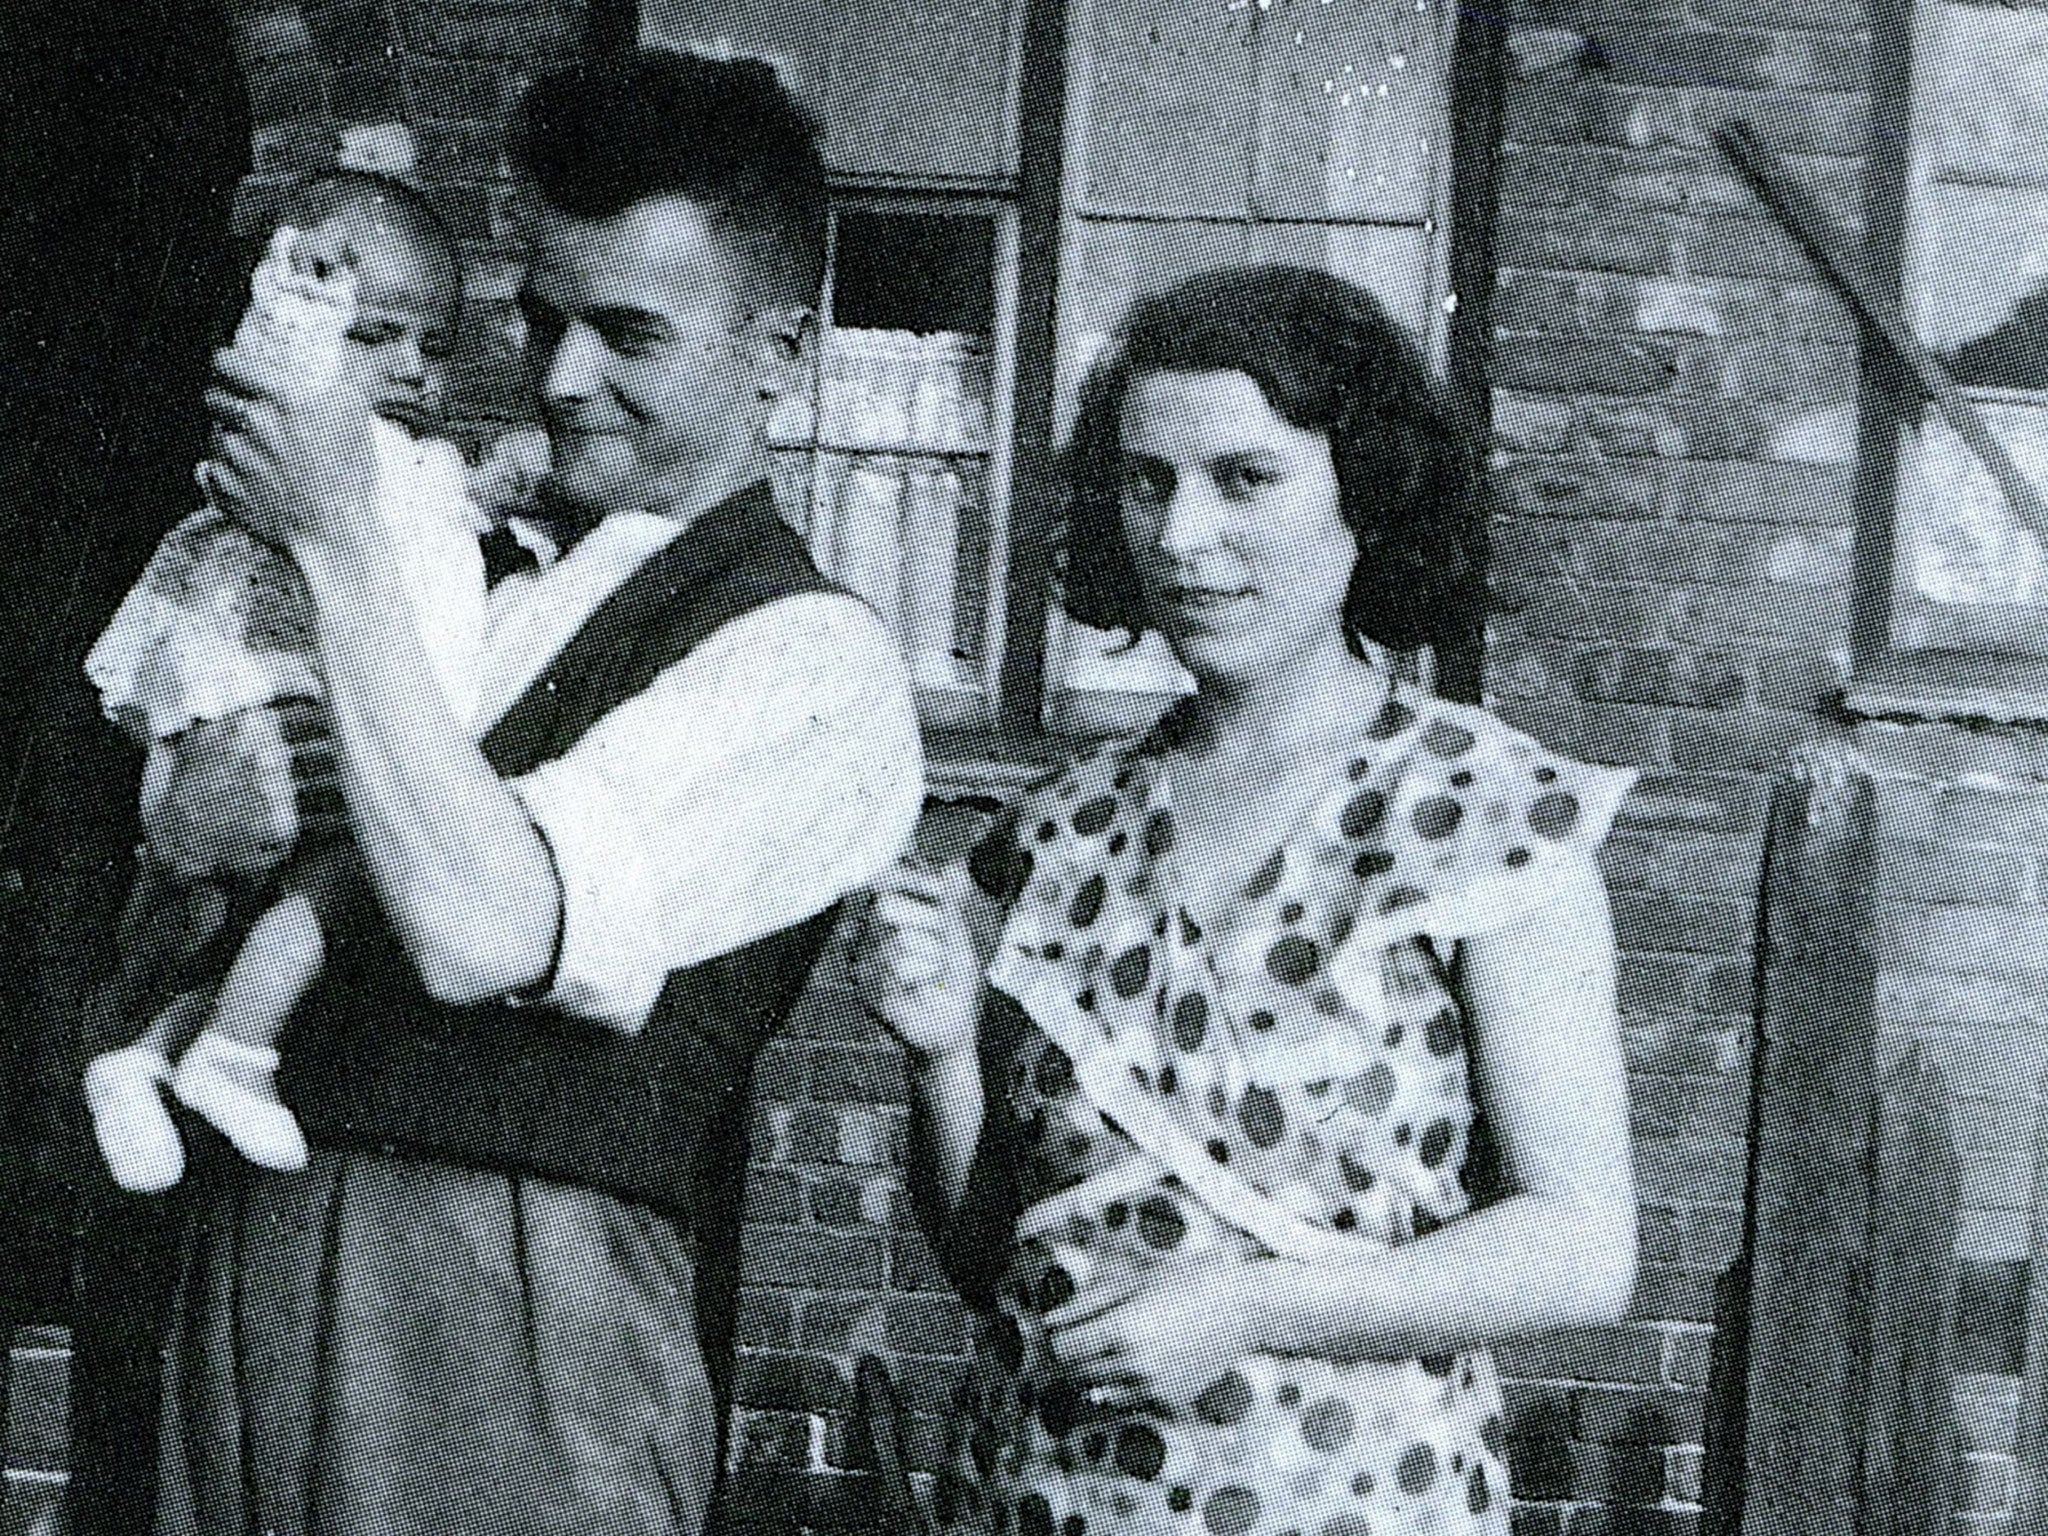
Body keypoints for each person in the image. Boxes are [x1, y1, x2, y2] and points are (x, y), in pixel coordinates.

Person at [151, 49, 923, 1535]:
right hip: (246, 1249)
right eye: (542, 319)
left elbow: (484, 925)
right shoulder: (464, 555)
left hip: (507, 1316)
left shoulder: (815, 667)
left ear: (783, 349)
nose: (563, 379)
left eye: (629, 333)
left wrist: (336, 545)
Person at [855, 266, 1639, 1536]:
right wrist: (942, 1058)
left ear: (1364, 493)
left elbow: (1580, 1248)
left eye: (1244, 478)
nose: (1179, 536)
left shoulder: (1478, 814)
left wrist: (1250, 1306)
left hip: (1353, 1503)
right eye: (1146, 480)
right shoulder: (1058, 834)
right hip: (1046, 1501)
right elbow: (994, 1259)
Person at [78, 169, 533, 1192]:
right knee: (280, 895)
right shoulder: (298, 449)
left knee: (289, 916)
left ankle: (166, 1058)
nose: (415, 369)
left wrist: (492, 487)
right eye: (378, 337)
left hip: (326, 760)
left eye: (435, 346)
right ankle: (210, 1055)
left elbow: (439, 528)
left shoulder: (408, 471)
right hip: (257, 705)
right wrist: (297, 309)